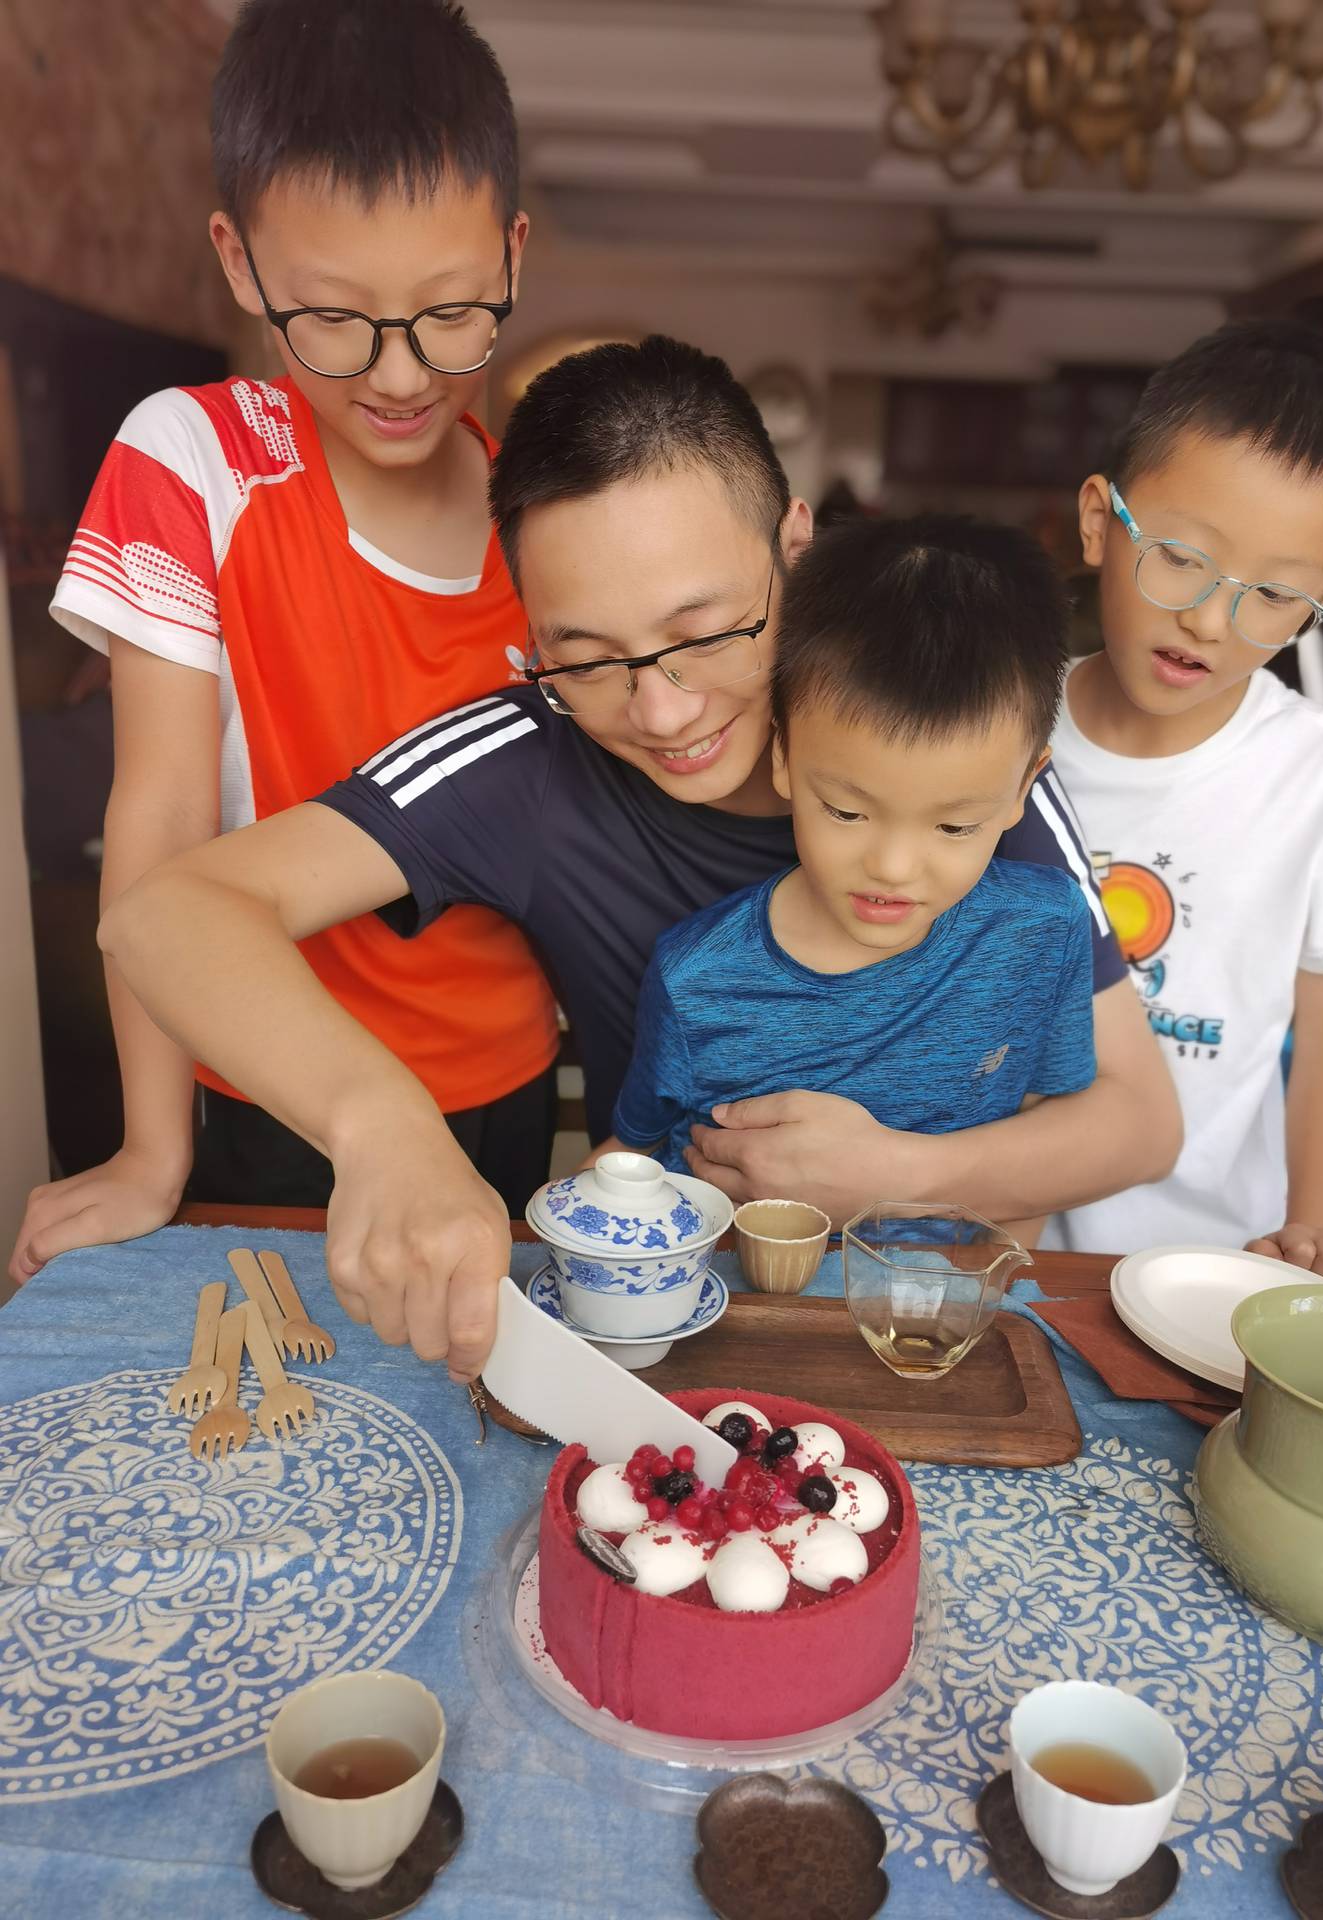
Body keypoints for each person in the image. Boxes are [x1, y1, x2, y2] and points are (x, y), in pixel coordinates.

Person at [93, 337, 1181, 1376]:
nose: (660, 709)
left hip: (931, 1314)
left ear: (794, 549)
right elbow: (166, 913)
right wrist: (384, 1125)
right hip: (680, 1322)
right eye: (587, 657)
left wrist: (892, 1175)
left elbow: (1138, 1118)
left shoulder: (941, 755)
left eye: (705, 632)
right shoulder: (527, 755)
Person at [10, 0, 559, 1287]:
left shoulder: (539, 520)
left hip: (510, 1074)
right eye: (331, 317)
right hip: (278, 1081)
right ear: (240, 262)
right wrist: (154, 1150)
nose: (402, 374)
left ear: (514, 256)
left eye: (450, 313)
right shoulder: (193, 460)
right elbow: (157, 835)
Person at [1046, 317, 1323, 1281]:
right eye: (1181, 558)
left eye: (1277, 595)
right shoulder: (995, 728)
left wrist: (1313, 1230)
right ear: (1101, 520)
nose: (1212, 620)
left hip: (1213, 1257)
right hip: (992, 1240)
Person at [607, 513, 1096, 1250]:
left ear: (1026, 785)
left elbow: (1032, 1172)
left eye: (955, 827)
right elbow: (632, 1162)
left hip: (939, 1325)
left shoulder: (1044, 931)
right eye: (845, 810)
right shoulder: (697, 976)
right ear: (782, 757)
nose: (894, 868)